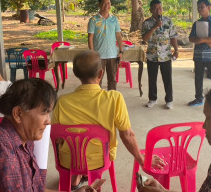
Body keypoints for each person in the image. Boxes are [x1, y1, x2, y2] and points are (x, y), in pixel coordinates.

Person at [52, 50, 164, 189]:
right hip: (99, 160)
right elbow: (127, 134)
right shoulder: (114, 98)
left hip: (68, 160)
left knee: (74, 144)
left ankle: (75, 177)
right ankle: (81, 176)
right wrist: (142, 160)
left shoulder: (62, 101)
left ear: (76, 73)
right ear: (101, 73)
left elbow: (57, 137)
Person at [0, 78, 95, 192]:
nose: (48, 121)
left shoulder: (24, 140)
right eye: (44, 113)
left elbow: (35, 189)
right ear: (18, 114)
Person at [142, 0, 178, 109]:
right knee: (152, 78)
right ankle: (153, 99)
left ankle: (169, 100)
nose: (158, 11)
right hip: (152, 56)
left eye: (160, 8)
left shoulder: (168, 21)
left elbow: (173, 37)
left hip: (166, 55)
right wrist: (155, 27)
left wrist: (176, 50)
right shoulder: (146, 23)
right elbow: (144, 39)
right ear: (151, 10)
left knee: (167, 79)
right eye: (156, 8)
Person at [188, 0, 211, 106]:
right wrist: (207, 41)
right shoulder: (197, 23)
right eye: (198, 7)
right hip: (198, 56)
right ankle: (198, 98)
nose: (199, 9)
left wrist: (201, 39)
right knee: (198, 79)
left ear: (209, 7)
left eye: (201, 7)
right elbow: (191, 38)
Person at [87, 0, 123, 90]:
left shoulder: (114, 19)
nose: (106, 6)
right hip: (99, 55)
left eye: (108, 3)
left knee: (112, 80)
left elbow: (118, 36)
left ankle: (112, 99)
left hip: (113, 55)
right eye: (104, 3)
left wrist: (121, 51)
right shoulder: (93, 20)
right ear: (99, 4)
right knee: (97, 80)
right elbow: (90, 38)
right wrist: (92, 53)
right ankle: (98, 100)